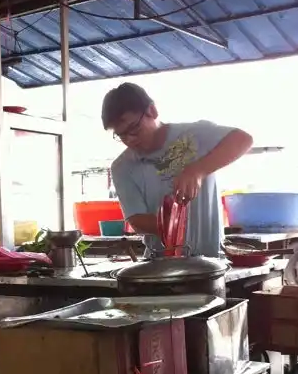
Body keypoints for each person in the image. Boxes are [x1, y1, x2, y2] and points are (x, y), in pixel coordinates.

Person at [101, 83, 253, 257]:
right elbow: (136, 219)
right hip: (159, 266)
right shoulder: (123, 167)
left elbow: (243, 139)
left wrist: (197, 170)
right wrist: (172, 222)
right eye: (121, 135)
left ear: (152, 111)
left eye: (134, 129)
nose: (130, 140)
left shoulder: (193, 135)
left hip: (211, 261)